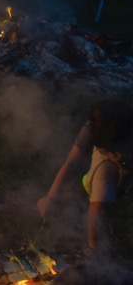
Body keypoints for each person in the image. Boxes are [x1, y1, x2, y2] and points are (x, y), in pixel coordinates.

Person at [38, 99, 133, 257]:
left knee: (121, 191)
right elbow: (71, 163)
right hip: (106, 157)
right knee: (99, 202)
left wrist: (126, 163)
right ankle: (94, 251)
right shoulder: (92, 128)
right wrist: (50, 197)